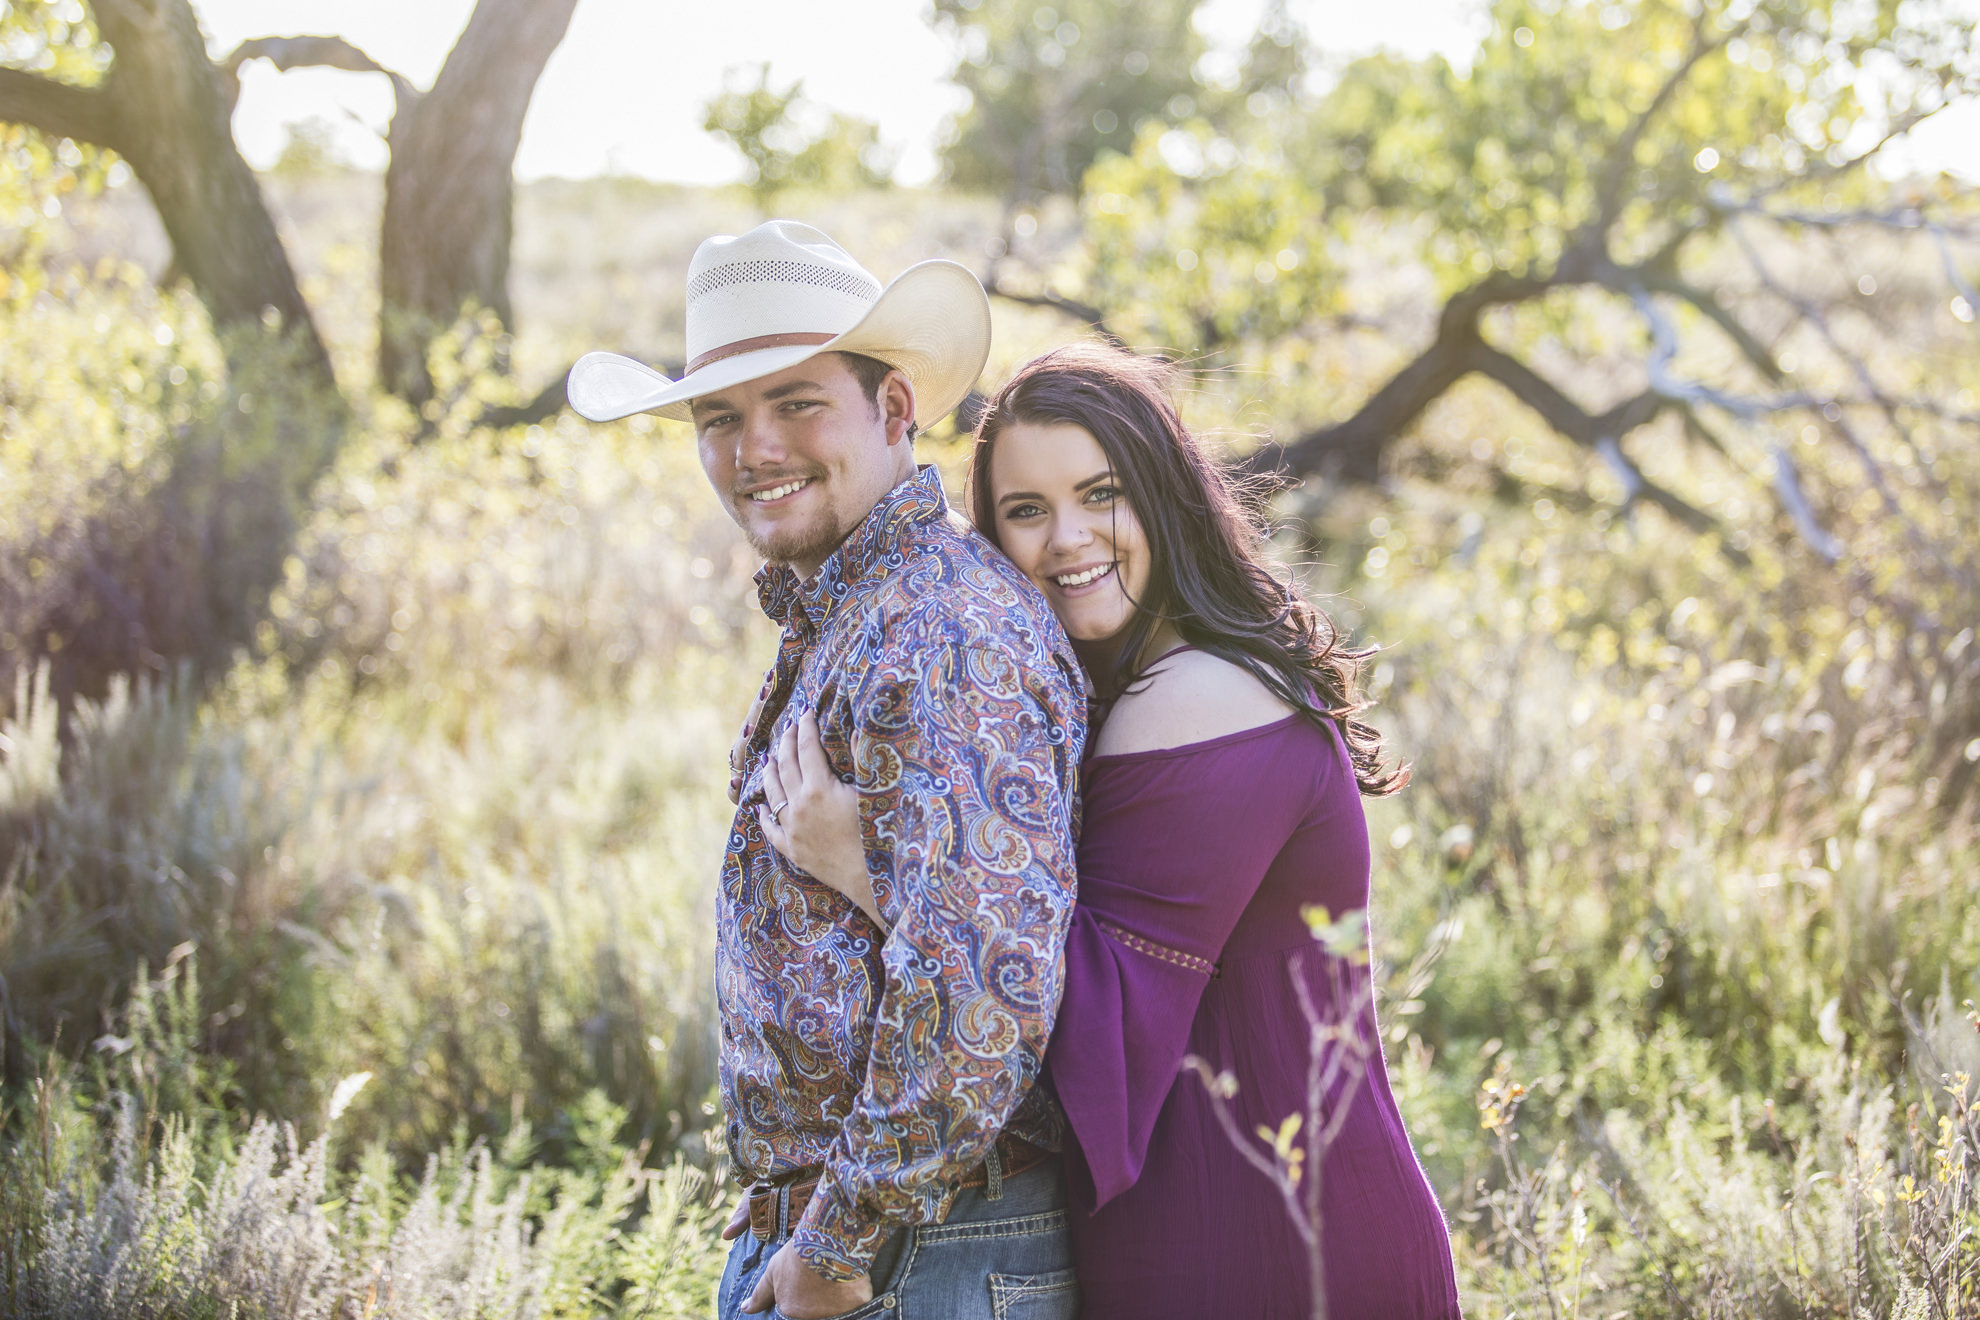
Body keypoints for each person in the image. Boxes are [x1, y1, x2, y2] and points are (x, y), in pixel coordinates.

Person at [762, 344, 1464, 1318]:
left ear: (1166, 496)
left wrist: (865, 867)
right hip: (1234, 1220)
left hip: (1263, 1245)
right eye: (1025, 511)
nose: (1068, 538)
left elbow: (1087, 1027)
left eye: (1103, 494)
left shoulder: (1194, 700)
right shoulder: (1171, 677)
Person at [567, 221, 1087, 1320]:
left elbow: (983, 982)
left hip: (919, 1251)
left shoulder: (945, 632)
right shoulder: (856, 608)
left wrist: (839, 1244)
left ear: (894, 410)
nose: (754, 449)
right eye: (720, 418)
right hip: (865, 1241)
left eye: (796, 403)